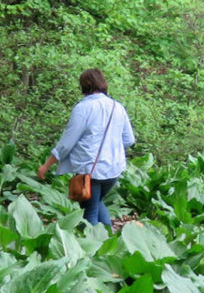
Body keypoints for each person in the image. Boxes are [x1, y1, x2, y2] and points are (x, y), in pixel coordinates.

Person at [38, 68, 136, 228]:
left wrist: (46, 166)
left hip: (91, 169)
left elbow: (66, 143)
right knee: (95, 203)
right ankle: (108, 240)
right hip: (113, 169)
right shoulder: (117, 107)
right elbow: (129, 139)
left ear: (84, 86)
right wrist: (111, 149)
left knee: (89, 213)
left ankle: (93, 247)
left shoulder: (83, 108)